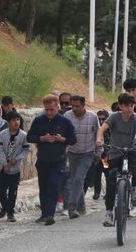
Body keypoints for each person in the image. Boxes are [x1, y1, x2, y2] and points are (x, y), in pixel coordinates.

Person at [96, 93, 136, 225]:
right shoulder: (114, 117)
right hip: (116, 150)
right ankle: (109, 213)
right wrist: (98, 139)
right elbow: (102, 128)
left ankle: (135, 188)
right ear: (120, 106)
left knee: (135, 170)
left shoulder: (135, 118)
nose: (130, 108)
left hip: (132, 149)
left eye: (132, 105)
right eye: (126, 106)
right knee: (111, 180)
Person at [26, 94, 77, 226]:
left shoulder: (65, 122)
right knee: (43, 187)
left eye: (52, 110)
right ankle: (44, 214)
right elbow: (30, 137)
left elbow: (73, 139)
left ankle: (50, 214)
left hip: (58, 160)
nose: (49, 113)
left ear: (57, 107)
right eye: (46, 110)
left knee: (54, 185)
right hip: (43, 160)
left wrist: (62, 139)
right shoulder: (38, 120)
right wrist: (41, 138)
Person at [63, 95, 100, 219]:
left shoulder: (93, 117)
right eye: (72, 106)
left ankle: (71, 207)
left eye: (77, 106)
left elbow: (98, 136)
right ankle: (82, 207)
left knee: (78, 178)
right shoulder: (67, 116)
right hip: (72, 153)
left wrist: (98, 153)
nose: (74, 108)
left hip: (87, 153)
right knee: (75, 179)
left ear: (84, 105)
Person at [0, 111, 30, 222]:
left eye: (18, 120)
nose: (16, 122)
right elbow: (0, 149)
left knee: (13, 191)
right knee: (1, 190)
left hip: (15, 169)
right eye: (13, 120)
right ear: (8, 122)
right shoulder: (3, 134)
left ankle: (10, 212)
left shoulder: (23, 135)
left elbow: (25, 150)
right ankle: (5, 207)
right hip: (3, 167)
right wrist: (4, 163)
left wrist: (17, 158)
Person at [89, 110, 110, 200]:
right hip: (96, 157)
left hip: (105, 158)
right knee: (96, 174)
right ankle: (97, 192)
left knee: (107, 174)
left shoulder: (110, 131)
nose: (101, 121)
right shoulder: (94, 129)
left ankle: (108, 192)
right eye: (99, 119)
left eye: (103, 119)